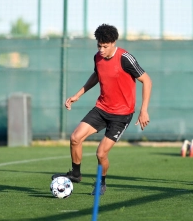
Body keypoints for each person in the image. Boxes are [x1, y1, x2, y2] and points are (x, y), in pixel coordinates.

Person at [52, 24, 152, 195]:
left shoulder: (125, 58)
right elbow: (97, 76)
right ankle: (76, 174)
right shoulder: (97, 58)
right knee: (75, 138)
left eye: (105, 46)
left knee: (101, 153)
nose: (101, 50)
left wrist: (144, 110)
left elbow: (147, 80)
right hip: (102, 108)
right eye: (99, 45)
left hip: (121, 115)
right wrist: (78, 95)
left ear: (113, 43)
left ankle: (101, 182)